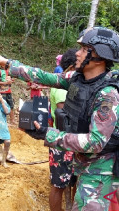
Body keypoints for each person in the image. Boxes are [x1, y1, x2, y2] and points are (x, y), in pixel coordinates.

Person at [0, 27, 119, 210]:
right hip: (83, 161)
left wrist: (49, 134)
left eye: (84, 49)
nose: (77, 53)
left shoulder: (108, 95)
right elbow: (46, 77)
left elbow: (96, 142)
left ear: (100, 56)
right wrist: (7, 63)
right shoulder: (78, 79)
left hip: (100, 168)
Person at [48, 48, 77, 211]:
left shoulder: (69, 85)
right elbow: (65, 114)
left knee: (73, 181)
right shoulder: (61, 87)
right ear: (72, 67)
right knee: (58, 184)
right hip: (62, 140)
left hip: (71, 139)